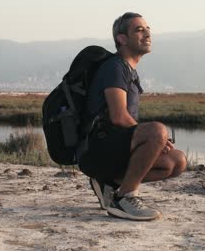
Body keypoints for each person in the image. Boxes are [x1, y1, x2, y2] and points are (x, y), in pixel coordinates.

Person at [78, 12, 187, 221]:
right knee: (157, 130)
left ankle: (108, 183)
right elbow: (119, 117)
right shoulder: (115, 67)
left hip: (114, 150)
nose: (147, 34)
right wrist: (157, 138)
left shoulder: (129, 71)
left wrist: (158, 142)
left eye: (148, 29)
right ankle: (125, 198)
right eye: (139, 30)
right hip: (95, 150)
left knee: (177, 161)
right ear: (122, 39)